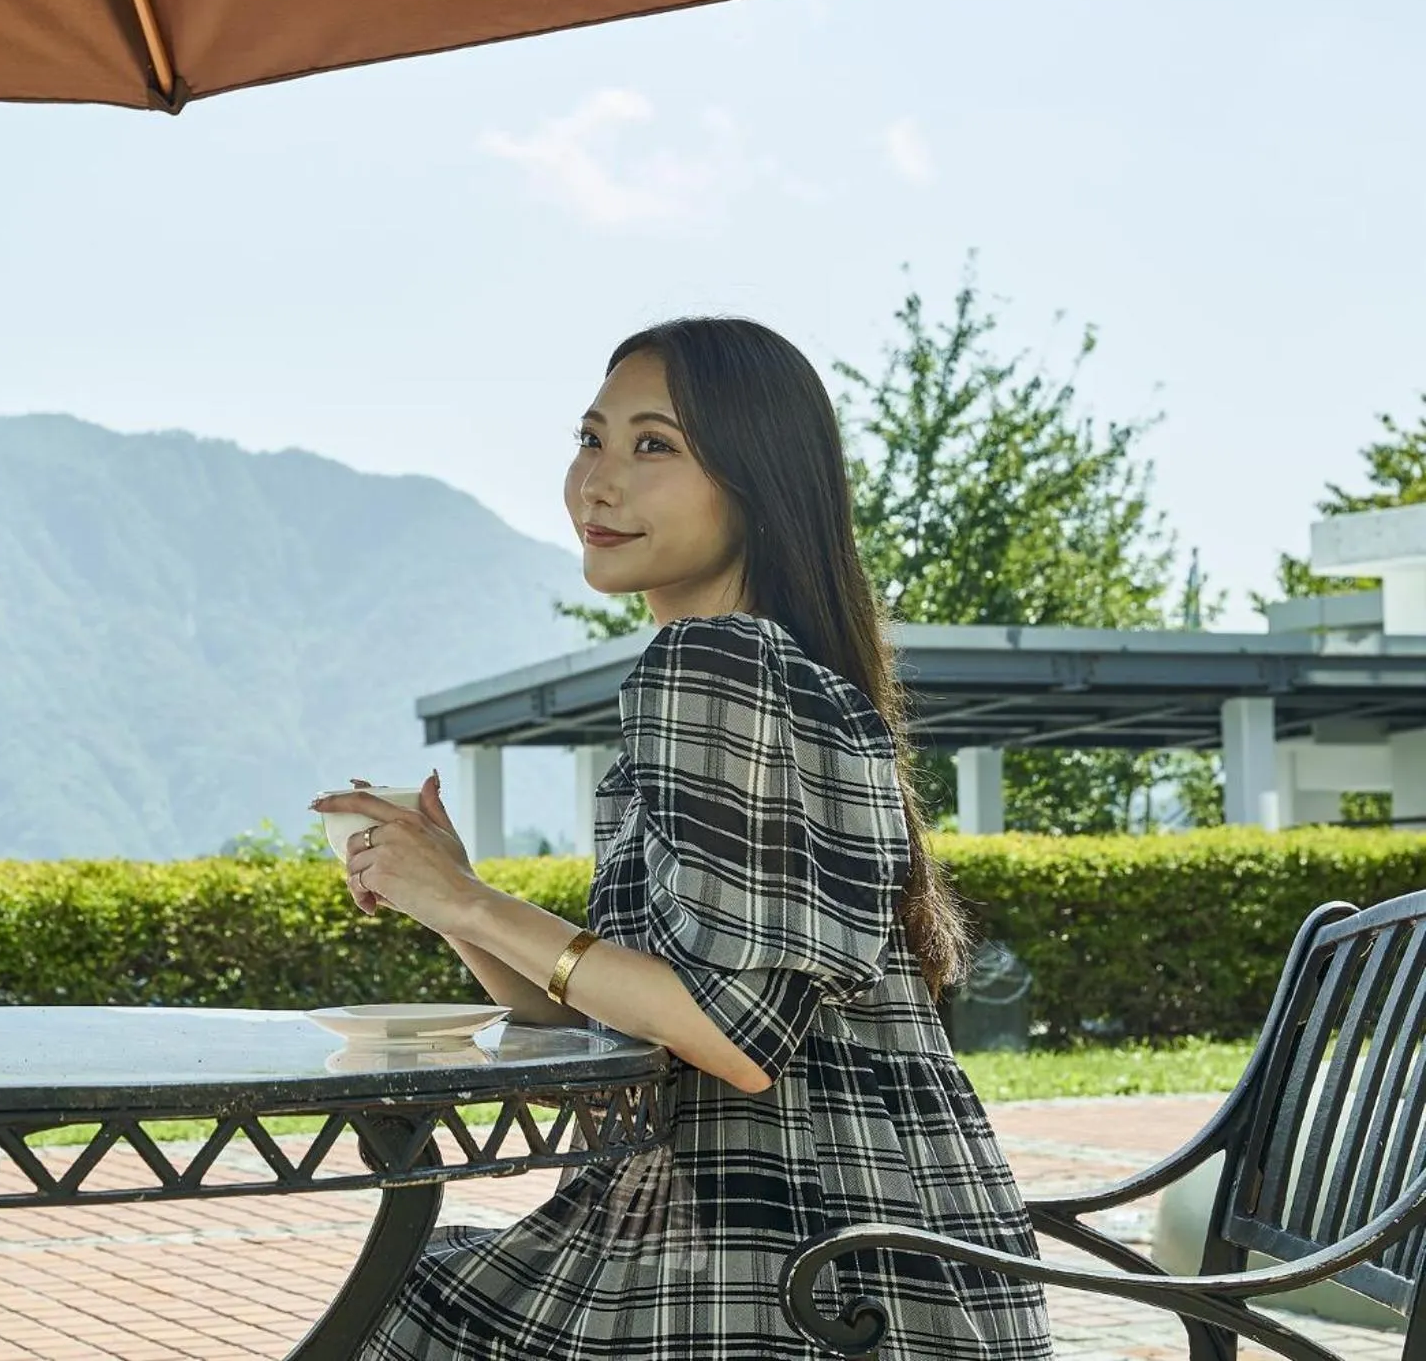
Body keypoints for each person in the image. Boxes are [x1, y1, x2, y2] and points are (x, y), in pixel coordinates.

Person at [311, 319, 1051, 1359]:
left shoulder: (712, 665)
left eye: (653, 446)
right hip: (883, 1246)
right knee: (411, 1298)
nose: (595, 483)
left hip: (787, 1263)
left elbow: (732, 1036)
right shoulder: (774, 669)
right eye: (590, 438)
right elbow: (634, 1013)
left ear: (755, 481)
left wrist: (471, 904)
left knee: (393, 1311)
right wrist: (451, 898)